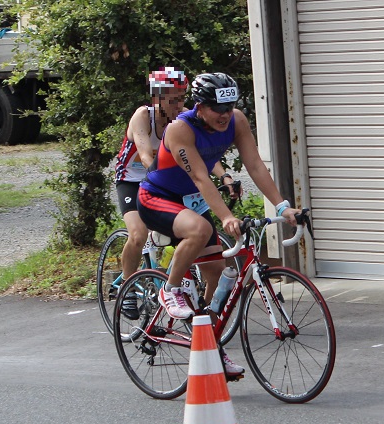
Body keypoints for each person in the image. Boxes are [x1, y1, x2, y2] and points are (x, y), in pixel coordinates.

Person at [137, 72, 301, 376]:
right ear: (200, 105)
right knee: (199, 230)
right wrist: (226, 216)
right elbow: (201, 177)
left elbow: (254, 165)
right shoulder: (179, 129)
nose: (225, 115)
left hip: (189, 200)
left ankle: (209, 344)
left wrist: (283, 206)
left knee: (217, 273)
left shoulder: (237, 120)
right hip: (156, 197)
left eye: (229, 108)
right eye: (217, 109)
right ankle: (169, 289)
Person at [113, 67, 234, 319]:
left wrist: (223, 175)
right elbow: (146, 156)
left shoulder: (184, 121)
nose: (177, 103)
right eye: (170, 97)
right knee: (138, 233)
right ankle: (127, 287)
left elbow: (202, 157)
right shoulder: (142, 116)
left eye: (181, 97)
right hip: (135, 178)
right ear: (156, 98)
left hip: (166, 180)